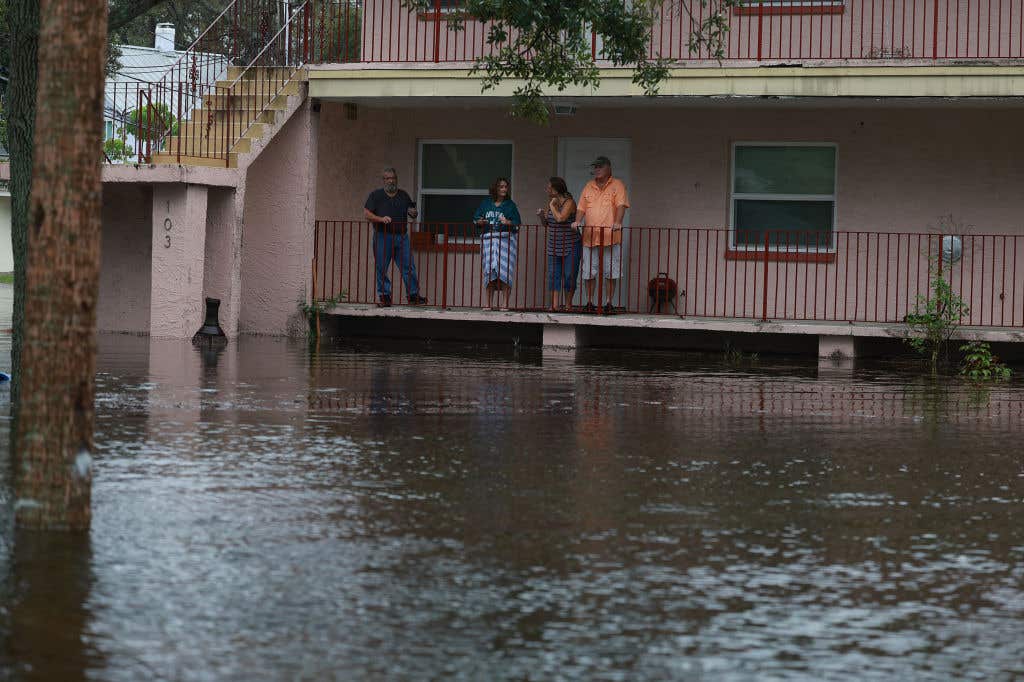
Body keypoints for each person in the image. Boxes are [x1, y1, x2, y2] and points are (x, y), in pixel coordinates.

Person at [572, 156, 630, 314]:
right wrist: (577, 221)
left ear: (608, 168)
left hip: (611, 237)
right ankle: (590, 302)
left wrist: (618, 222)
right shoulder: (588, 186)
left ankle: (609, 303)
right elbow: (581, 207)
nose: (596, 169)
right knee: (588, 272)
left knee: (611, 272)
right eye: (595, 167)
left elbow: (621, 205)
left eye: (600, 167)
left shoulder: (617, 185)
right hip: (590, 237)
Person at [363, 167, 427, 307]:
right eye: (388, 178)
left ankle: (413, 295)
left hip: (402, 237)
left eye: (393, 178)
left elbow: (413, 213)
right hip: (382, 236)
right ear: (383, 180)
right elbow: (367, 214)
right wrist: (380, 219)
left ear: (396, 179)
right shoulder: (376, 195)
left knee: (409, 266)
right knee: (381, 267)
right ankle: (385, 297)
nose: (391, 181)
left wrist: (413, 212)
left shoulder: (403, 195)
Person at [473, 178, 521, 311]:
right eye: (501, 187)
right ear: (495, 188)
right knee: (489, 271)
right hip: (488, 241)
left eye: (506, 187)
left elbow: (517, 223)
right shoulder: (486, 203)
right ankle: (488, 303)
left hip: (506, 241)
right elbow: (476, 218)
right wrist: (481, 221)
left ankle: (505, 303)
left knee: (505, 271)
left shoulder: (510, 205)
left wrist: (508, 222)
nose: (504, 189)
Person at [536, 177, 580, 312]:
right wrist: (542, 216)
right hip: (554, 245)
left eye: (549, 187)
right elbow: (547, 223)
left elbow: (561, 218)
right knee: (553, 275)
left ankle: (568, 305)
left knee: (569, 275)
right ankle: (554, 305)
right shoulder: (553, 202)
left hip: (571, 244)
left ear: (557, 188)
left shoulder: (569, 202)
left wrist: (551, 206)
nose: (547, 190)